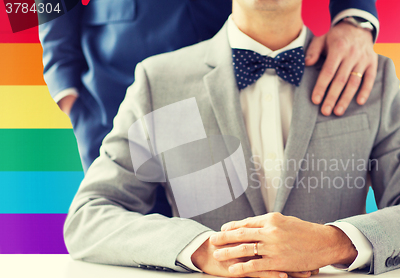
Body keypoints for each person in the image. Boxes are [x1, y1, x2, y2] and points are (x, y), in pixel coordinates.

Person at [65, 0, 400, 278]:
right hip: (111, 82)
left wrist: (334, 242)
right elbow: (91, 218)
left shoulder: (368, 80)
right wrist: (59, 74)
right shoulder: (159, 81)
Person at [39, 0, 379, 171]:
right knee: (124, 237)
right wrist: (61, 77)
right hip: (115, 75)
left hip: (244, 59)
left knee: (241, 246)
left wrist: (356, 15)